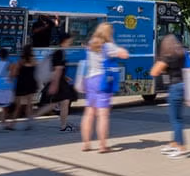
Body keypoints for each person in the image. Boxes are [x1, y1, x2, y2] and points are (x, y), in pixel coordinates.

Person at [81, 23, 129, 153]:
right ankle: (102, 146)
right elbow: (124, 55)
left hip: (90, 80)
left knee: (89, 113)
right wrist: (122, 49)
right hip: (102, 80)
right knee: (103, 115)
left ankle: (86, 144)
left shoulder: (91, 44)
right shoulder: (108, 46)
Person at [150, 34, 188, 159]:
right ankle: (174, 143)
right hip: (182, 86)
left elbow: (154, 71)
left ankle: (181, 148)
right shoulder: (182, 53)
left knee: (176, 120)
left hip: (175, 88)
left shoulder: (168, 56)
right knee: (177, 118)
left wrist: (160, 62)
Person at [35, 33, 78, 132]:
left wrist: (65, 77)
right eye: (69, 41)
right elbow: (57, 70)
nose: (70, 43)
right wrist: (54, 85)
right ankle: (63, 125)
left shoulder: (58, 52)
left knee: (57, 103)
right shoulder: (60, 53)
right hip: (58, 83)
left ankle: (32, 118)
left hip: (58, 81)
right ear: (65, 41)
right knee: (63, 102)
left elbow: (57, 69)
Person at [10, 45, 38, 130]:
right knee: (29, 105)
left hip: (21, 84)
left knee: (18, 106)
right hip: (31, 84)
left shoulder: (20, 62)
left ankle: (12, 124)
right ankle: (29, 123)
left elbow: (14, 74)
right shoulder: (34, 61)